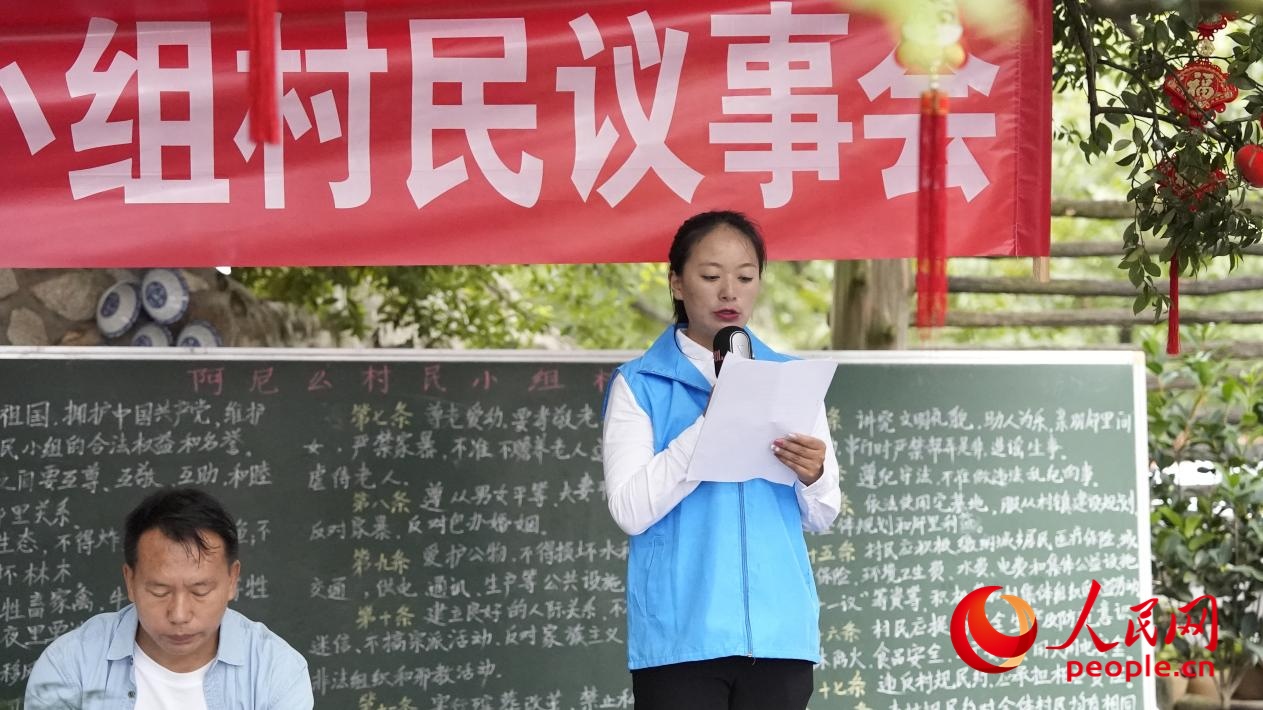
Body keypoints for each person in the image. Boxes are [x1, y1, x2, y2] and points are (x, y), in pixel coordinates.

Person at [601, 210, 842, 710]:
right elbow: (630, 510)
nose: (729, 291)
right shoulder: (639, 384)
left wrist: (814, 476)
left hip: (780, 638)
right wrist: (709, 425)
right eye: (711, 276)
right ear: (677, 282)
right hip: (680, 638)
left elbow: (823, 514)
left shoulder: (790, 379)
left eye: (745, 277)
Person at [24, 487, 314, 710]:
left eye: (200, 591)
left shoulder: (276, 670)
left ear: (232, 580)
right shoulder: (70, 665)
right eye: (159, 591)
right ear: (130, 581)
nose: (179, 614)